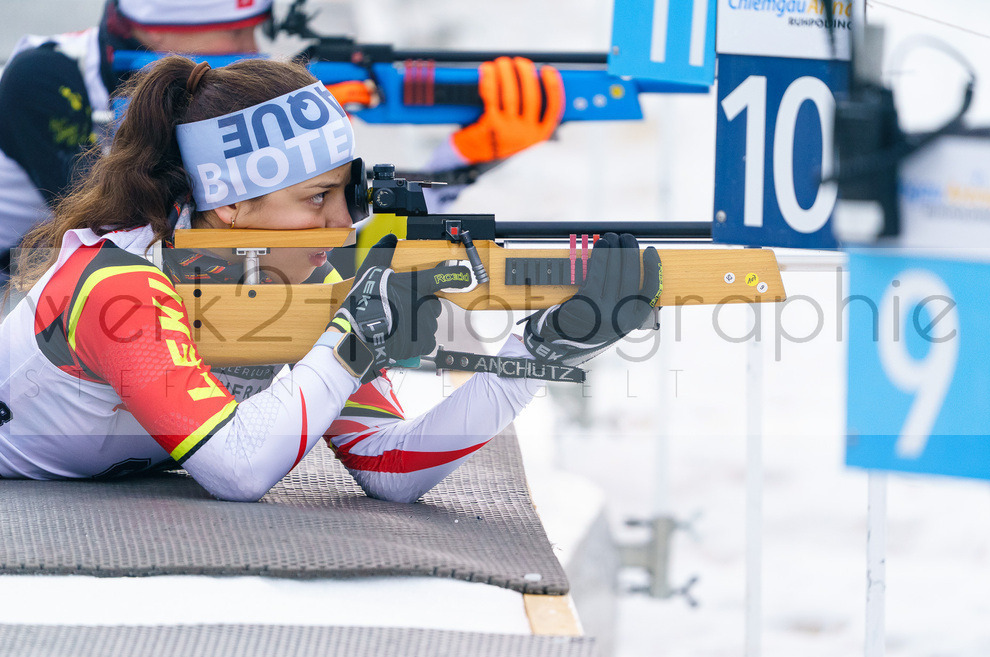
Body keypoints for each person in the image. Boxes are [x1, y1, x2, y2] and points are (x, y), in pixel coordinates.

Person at [0, 55, 660, 504]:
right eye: (317, 198)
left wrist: (538, 352)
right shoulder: (119, 285)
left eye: (347, 193)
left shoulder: (294, 278)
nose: (345, 223)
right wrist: (353, 342)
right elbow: (237, 469)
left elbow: (390, 464)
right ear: (232, 205)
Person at [0, 0, 565, 284]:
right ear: (166, 31)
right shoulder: (43, 81)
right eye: (237, 33)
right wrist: (280, 128)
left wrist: (462, 161)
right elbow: (140, 231)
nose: (254, 48)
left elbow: (336, 241)